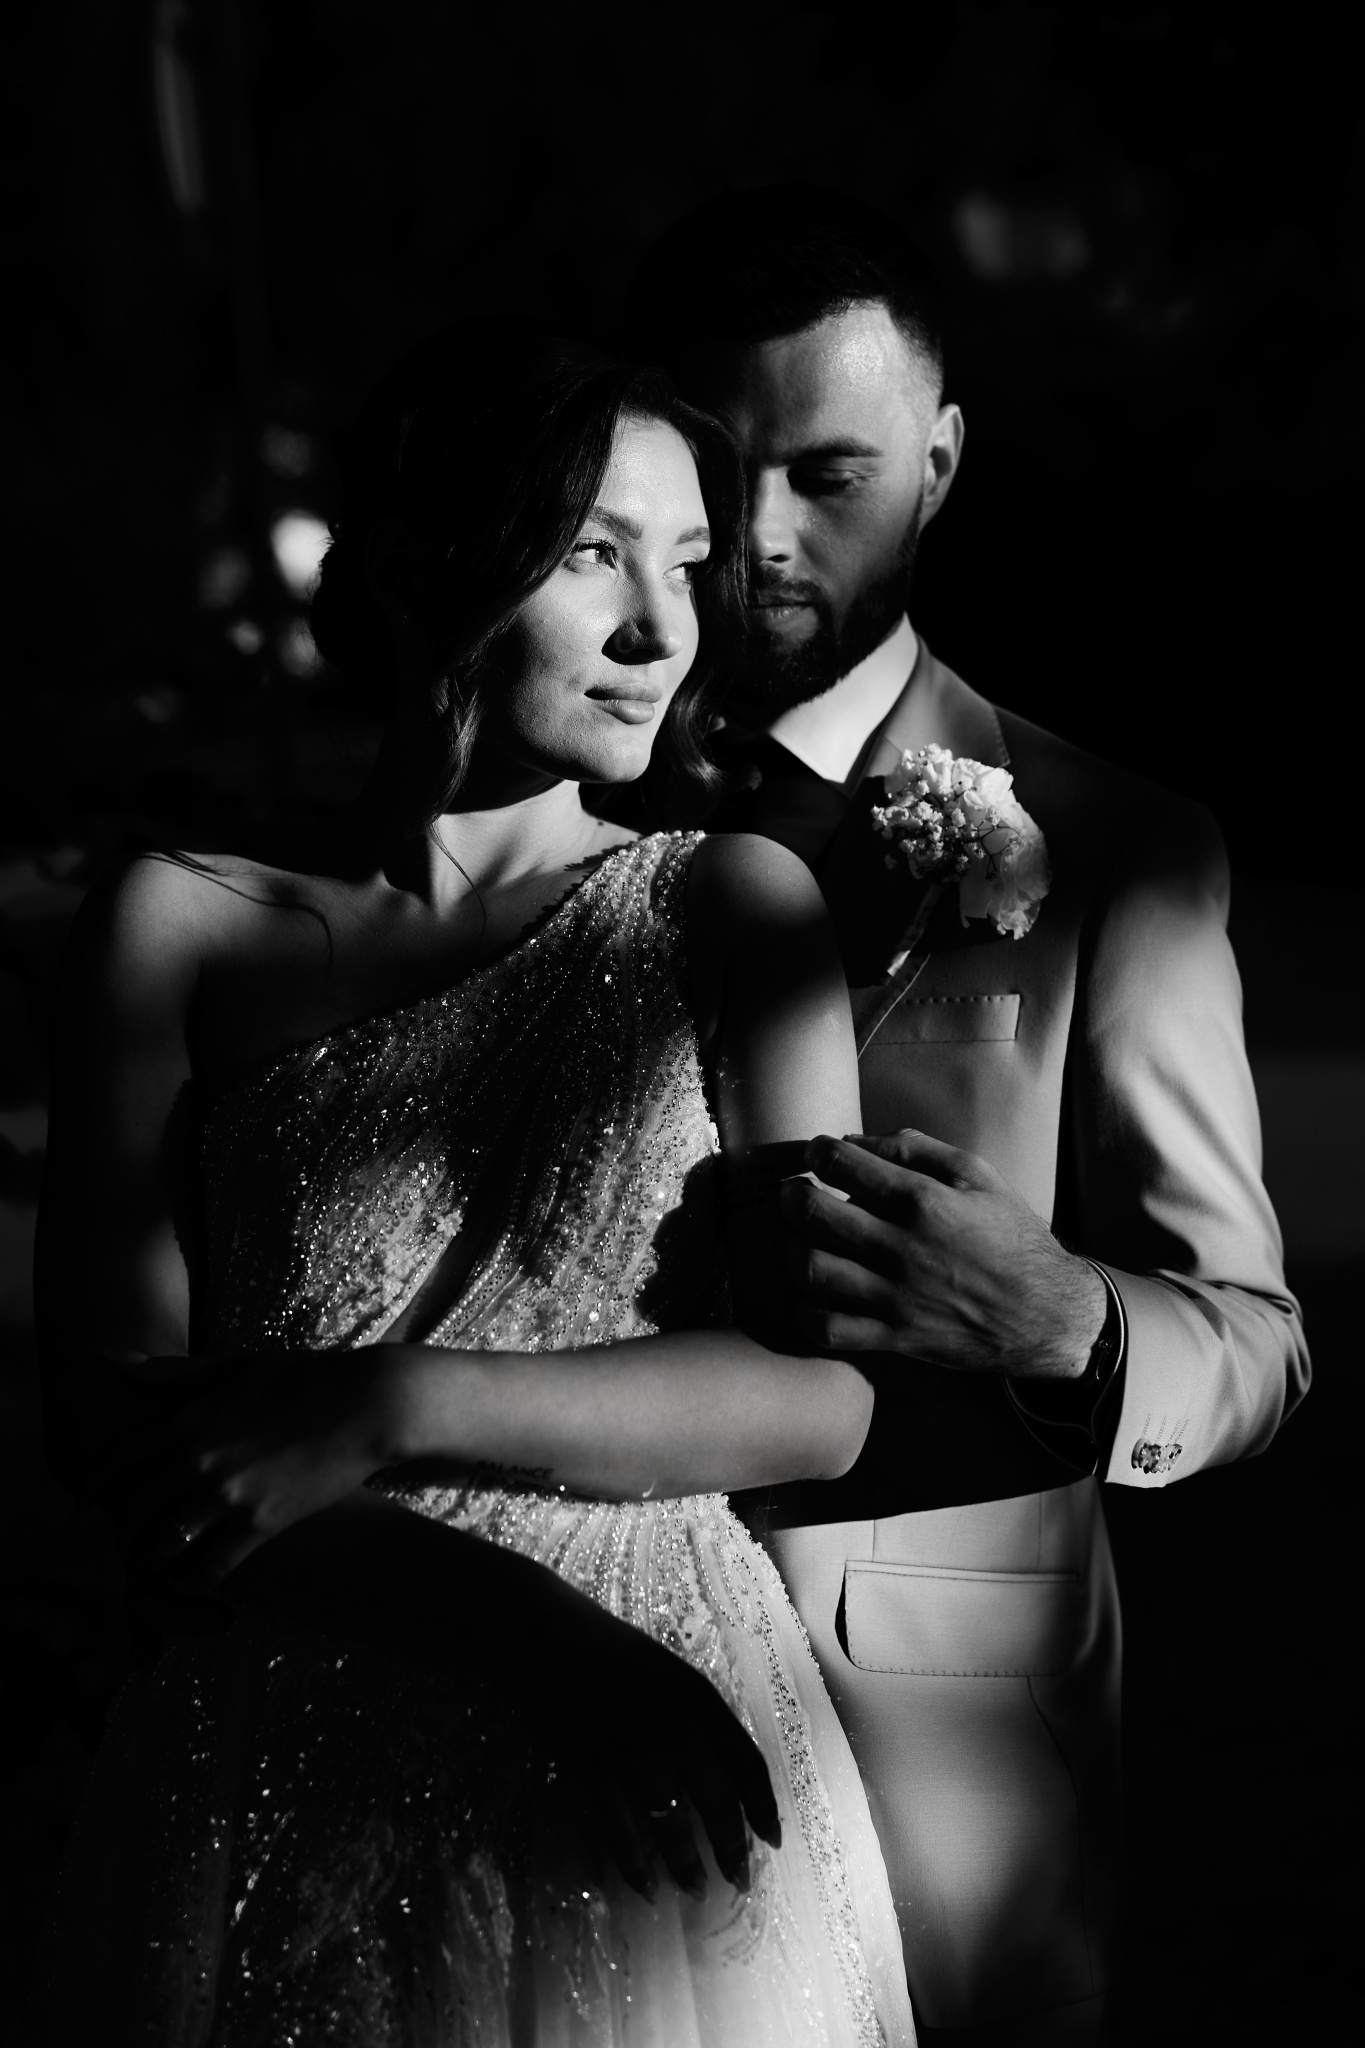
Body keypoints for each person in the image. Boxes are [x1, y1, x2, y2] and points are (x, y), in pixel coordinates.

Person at [33, 325, 917, 2045]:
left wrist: (385, 1405)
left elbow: (823, 1400)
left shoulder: (725, 909)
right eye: (595, 554)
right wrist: (524, 1632)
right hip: (299, 1727)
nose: (663, 630)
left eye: (687, 566)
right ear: (429, 558)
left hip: (655, 1733)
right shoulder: (180, 926)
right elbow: (112, 1428)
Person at [623, 188, 1310, 2045]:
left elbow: (1254, 1343)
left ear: (935, 464)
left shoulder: (1119, 850)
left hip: (940, 1744)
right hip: (572, 1700)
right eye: (714, 471)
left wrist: (1066, 1318)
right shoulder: (550, 818)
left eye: (825, 474)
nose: (759, 536)